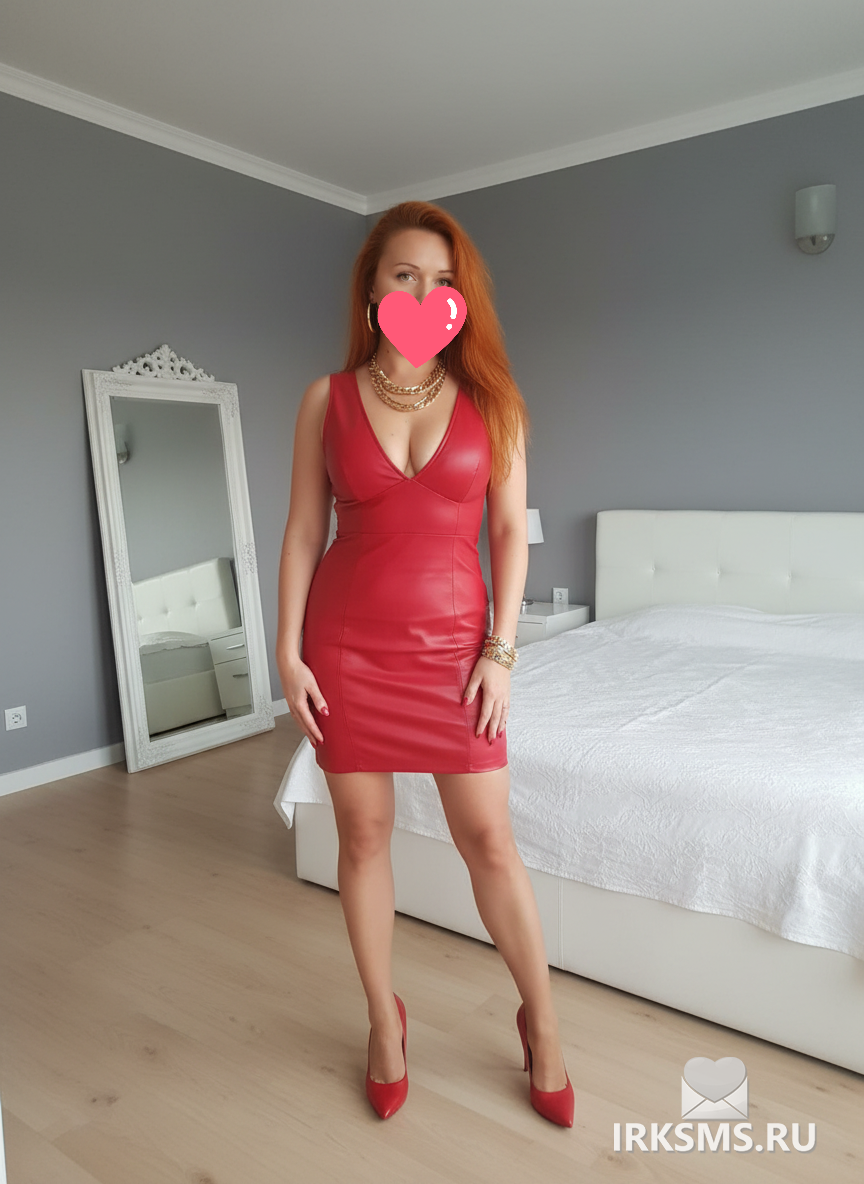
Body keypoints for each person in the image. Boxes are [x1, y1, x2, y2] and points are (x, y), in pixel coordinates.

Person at [275, 200, 573, 1126]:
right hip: (346, 649)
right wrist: (286, 650)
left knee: (490, 841)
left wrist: (501, 653)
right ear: (372, 288)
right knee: (362, 838)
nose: (423, 290)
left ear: (461, 296)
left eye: (443, 280)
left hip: (456, 655)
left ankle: (543, 1023)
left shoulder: (494, 401)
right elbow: (303, 532)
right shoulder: (325, 399)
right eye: (405, 273)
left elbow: (510, 535)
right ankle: (383, 1021)